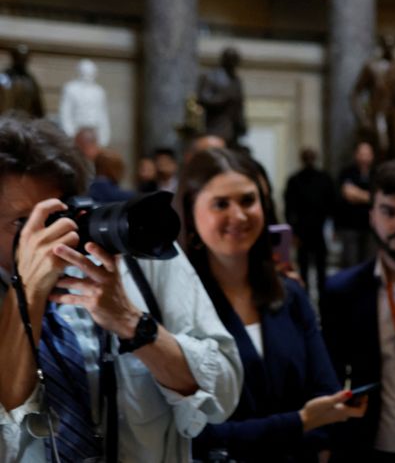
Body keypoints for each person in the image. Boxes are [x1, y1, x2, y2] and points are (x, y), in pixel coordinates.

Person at [0, 115, 243, 462]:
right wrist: (26, 296)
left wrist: (132, 322)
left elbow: (225, 391)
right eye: (25, 222)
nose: (52, 238)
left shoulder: (139, 257)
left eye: (57, 215)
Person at [175, 148, 366, 463]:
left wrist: (313, 425)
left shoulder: (289, 294)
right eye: (221, 204)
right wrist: (300, 422)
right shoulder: (179, 306)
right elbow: (198, 434)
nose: (238, 215)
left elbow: (327, 398)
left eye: (248, 201)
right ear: (191, 216)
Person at [323, 159, 395, 462]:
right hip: (367, 447)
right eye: (389, 212)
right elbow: (328, 380)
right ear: (372, 216)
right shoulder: (341, 292)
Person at [351, 35, 395, 160]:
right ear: (381, 46)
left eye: (391, 46)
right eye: (386, 45)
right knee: (381, 146)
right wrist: (362, 117)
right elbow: (355, 94)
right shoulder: (371, 66)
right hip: (378, 113)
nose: (389, 48)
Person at [284, 147, 336, 290]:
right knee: (304, 267)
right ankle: (305, 297)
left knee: (321, 267)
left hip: (319, 228)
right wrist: (292, 232)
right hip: (302, 230)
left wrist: (332, 227)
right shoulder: (295, 180)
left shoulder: (324, 178)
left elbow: (332, 204)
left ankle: (323, 298)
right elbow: (289, 208)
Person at [335, 141, 376, 268]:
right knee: (351, 262)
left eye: (367, 154)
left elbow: (379, 197)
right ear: (356, 155)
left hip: (371, 227)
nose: (364, 157)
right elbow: (347, 194)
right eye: (361, 154)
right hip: (350, 225)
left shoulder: (377, 173)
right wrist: (368, 196)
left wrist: (358, 194)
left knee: (369, 263)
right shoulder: (347, 172)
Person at [197, 47, 247, 148]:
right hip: (215, 123)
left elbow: (240, 104)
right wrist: (224, 98)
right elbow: (203, 98)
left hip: (232, 125)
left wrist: (241, 124)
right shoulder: (211, 76)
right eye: (230, 60)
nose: (232, 64)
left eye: (234, 61)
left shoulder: (236, 80)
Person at [59, 59, 111, 147]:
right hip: (77, 131)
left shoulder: (99, 91)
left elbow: (103, 114)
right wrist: (70, 134)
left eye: (91, 72)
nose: (88, 75)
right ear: (79, 72)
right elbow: (65, 113)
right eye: (85, 72)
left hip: (95, 132)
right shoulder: (71, 88)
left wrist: (104, 136)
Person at [0, 45, 44, 118]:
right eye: (19, 58)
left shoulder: (30, 80)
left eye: (24, 59)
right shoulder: (3, 78)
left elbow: (37, 105)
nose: (22, 61)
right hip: (4, 119)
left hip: (24, 121)